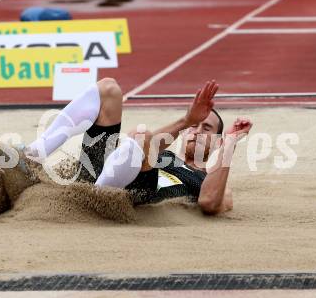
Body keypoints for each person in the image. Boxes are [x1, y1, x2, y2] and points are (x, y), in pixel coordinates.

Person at [20, 78, 252, 215]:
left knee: (141, 136)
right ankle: (35, 154)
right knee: (109, 88)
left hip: (127, 197)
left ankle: (95, 196)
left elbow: (210, 202)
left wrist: (230, 144)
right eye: (195, 127)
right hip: (102, 174)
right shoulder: (166, 154)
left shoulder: (207, 180)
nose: (198, 132)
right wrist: (186, 120)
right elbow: (146, 144)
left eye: (207, 129)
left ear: (217, 142)